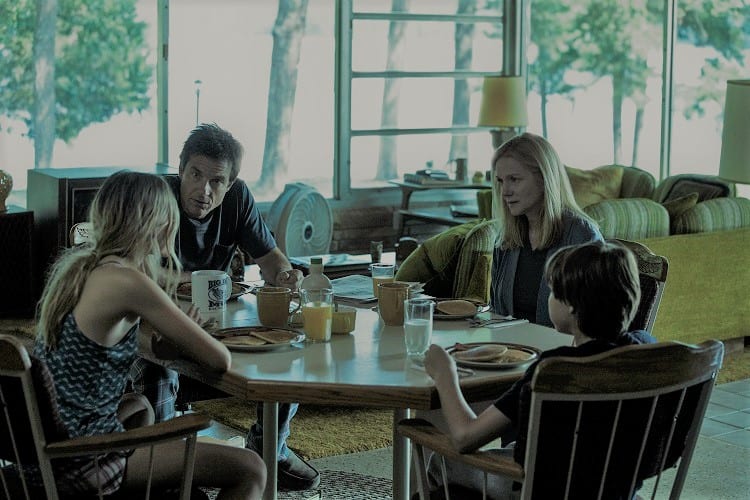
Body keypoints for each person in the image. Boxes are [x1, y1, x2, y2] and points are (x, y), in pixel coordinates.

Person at [33, 171, 266, 499]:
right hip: (83, 459)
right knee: (252, 468)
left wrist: (169, 343)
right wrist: (194, 332)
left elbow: (120, 348)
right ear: (158, 222)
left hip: (45, 450)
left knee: (141, 406)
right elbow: (219, 359)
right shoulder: (130, 282)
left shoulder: (78, 269)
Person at [128, 123, 318, 491]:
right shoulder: (157, 198)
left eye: (217, 181)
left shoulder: (237, 199)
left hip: (219, 315)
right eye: (196, 175)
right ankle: (167, 467)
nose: (204, 189)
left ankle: (269, 448)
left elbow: (271, 259)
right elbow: (135, 269)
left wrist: (285, 276)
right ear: (181, 170)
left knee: (287, 355)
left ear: (230, 184)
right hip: (157, 316)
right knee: (157, 366)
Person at [421, 241, 656, 499]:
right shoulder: (646, 350)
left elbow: (465, 437)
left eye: (553, 291)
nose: (549, 297)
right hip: (616, 487)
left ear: (572, 306)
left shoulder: (553, 371)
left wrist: (445, 373)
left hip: (541, 489)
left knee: (439, 463)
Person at [490, 132, 602, 327]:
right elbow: (495, 311)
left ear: (544, 179)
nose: (505, 191)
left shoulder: (582, 236)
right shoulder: (506, 239)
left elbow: (597, 320)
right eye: (500, 181)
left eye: (514, 179)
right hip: (510, 352)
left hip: (562, 354)